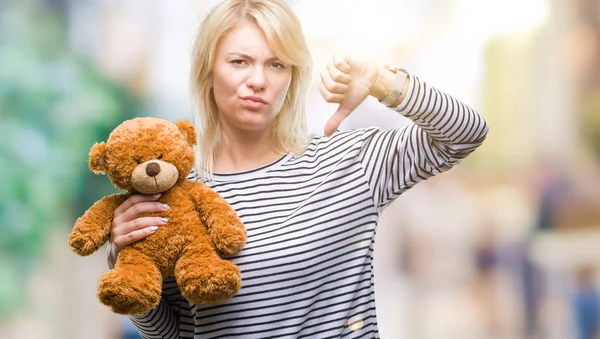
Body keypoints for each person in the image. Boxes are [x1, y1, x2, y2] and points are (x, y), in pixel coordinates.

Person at [106, 0, 489, 337]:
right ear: (208, 72)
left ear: (291, 79)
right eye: (239, 62)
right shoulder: (174, 195)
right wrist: (126, 263)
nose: (257, 80)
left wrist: (380, 81)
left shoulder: (348, 162)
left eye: (276, 64)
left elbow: (465, 133)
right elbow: (175, 334)